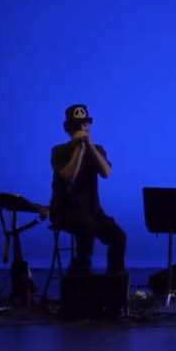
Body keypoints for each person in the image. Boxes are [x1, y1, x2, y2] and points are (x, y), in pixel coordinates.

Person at [49, 104, 126, 275]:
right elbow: (68, 176)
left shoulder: (97, 150)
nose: (82, 128)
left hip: (93, 211)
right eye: (77, 125)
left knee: (119, 237)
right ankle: (81, 275)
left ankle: (115, 281)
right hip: (64, 211)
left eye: (85, 124)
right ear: (67, 128)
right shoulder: (59, 151)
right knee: (86, 227)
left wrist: (89, 145)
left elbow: (106, 173)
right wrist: (78, 149)